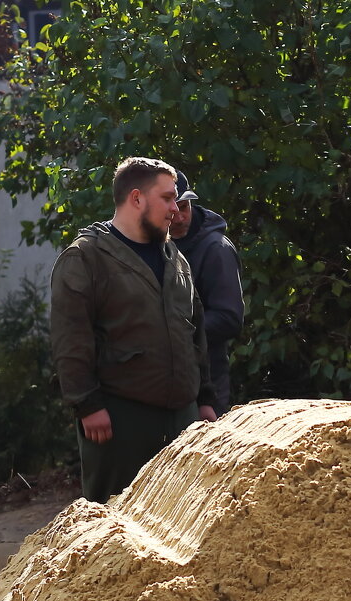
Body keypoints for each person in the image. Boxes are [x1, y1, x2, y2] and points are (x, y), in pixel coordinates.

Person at [50, 156, 218, 503]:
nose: (176, 208)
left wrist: (203, 399)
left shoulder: (176, 258)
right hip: (119, 420)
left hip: (182, 419)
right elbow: (70, 338)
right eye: (168, 198)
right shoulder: (86, 258)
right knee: (115, 528)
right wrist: (86, 404)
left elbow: (195, 333)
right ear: (137, 198)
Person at [168, 170, 244, 417]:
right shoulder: (157, 245)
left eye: (185, 207)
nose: (179, 217)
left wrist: (173, 330)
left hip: (208, 382)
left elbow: (229, 318)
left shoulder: (216, 249)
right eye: (173, 208)